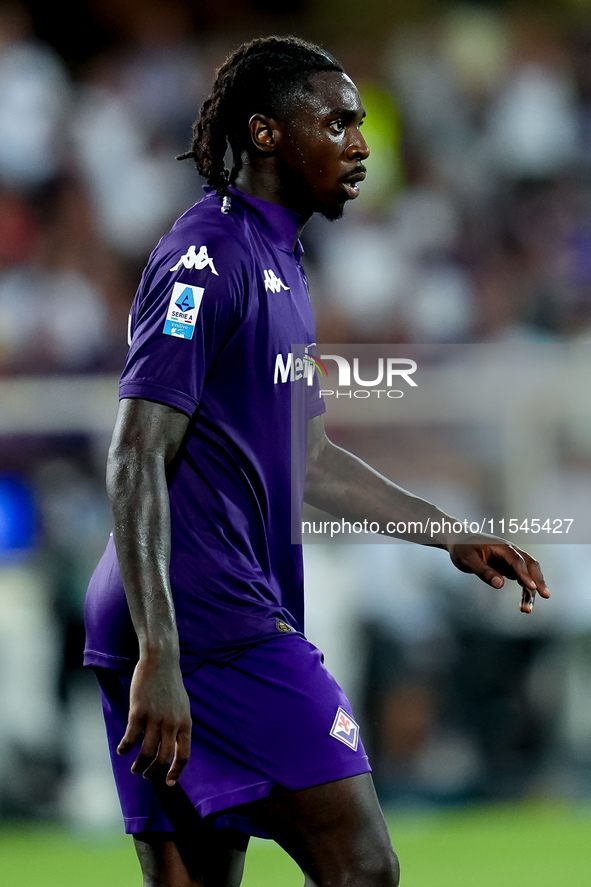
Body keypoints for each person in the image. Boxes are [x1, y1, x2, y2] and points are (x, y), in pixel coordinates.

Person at [83, 35, 550, 887]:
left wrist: (447, 533)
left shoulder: (280, 260)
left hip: (176, 613)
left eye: (361, 124)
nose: (362, 145)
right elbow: (134, 454)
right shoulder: (208, 257)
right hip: (203, 618)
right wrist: (162, 650)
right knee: (363, 866)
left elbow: (310, 459)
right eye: (337, 123)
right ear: (265, 133)